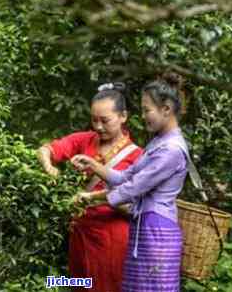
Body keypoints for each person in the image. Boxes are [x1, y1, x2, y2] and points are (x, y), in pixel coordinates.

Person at [71, 75, 189, 292]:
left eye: (147, 110)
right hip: (142, 227)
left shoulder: (171, 149)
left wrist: (90, 197)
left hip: (157, 229)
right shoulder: (157, 142)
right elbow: (125, 176)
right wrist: (94, 165)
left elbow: (133, 187)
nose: (143, 116)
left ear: (166, 108)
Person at [37, 82, 143, 292]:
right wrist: (50, 167)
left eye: (105, 120)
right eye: (94, 120)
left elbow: (136, 207)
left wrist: (93, 198)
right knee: (78, 284)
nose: (98, 126)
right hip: (80, 235)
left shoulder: (138, 156)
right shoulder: (84, 140)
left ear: (123, 116)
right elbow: (45, 149)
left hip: (113, 239)